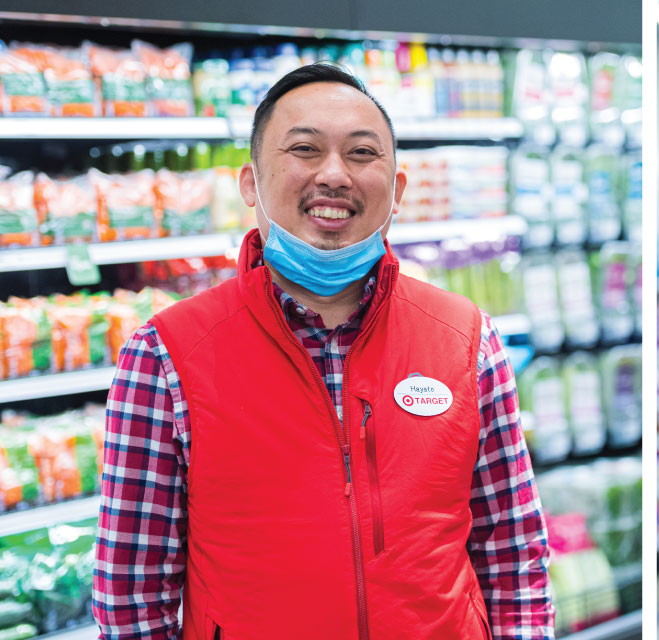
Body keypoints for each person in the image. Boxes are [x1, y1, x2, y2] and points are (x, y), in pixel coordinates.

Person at [91, 63, 554, 640]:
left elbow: (513, 557)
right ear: (250, 184)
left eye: (362, 154)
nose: (334, 175)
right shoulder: (165, 356)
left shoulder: (465, 339)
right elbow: (130, 594)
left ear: (398, 190)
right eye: (305, 149)